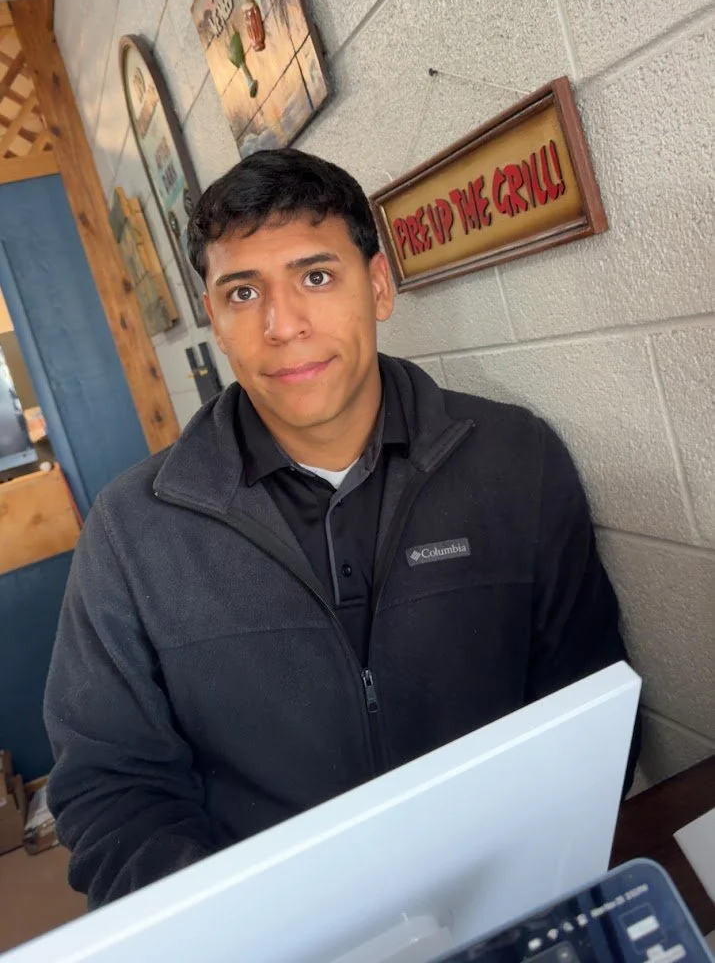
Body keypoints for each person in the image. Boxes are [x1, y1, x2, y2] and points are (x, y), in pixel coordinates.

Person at [45, 148, 638, 910]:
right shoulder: (131, 531)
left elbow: (588, 697)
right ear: (218, 323)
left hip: (514, 899)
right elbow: (111, 787)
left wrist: (522, 868)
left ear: (379, 286)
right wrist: (243, 936)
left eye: (316, 276)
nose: (282, 324)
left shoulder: (515, 460)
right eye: (242, 291)